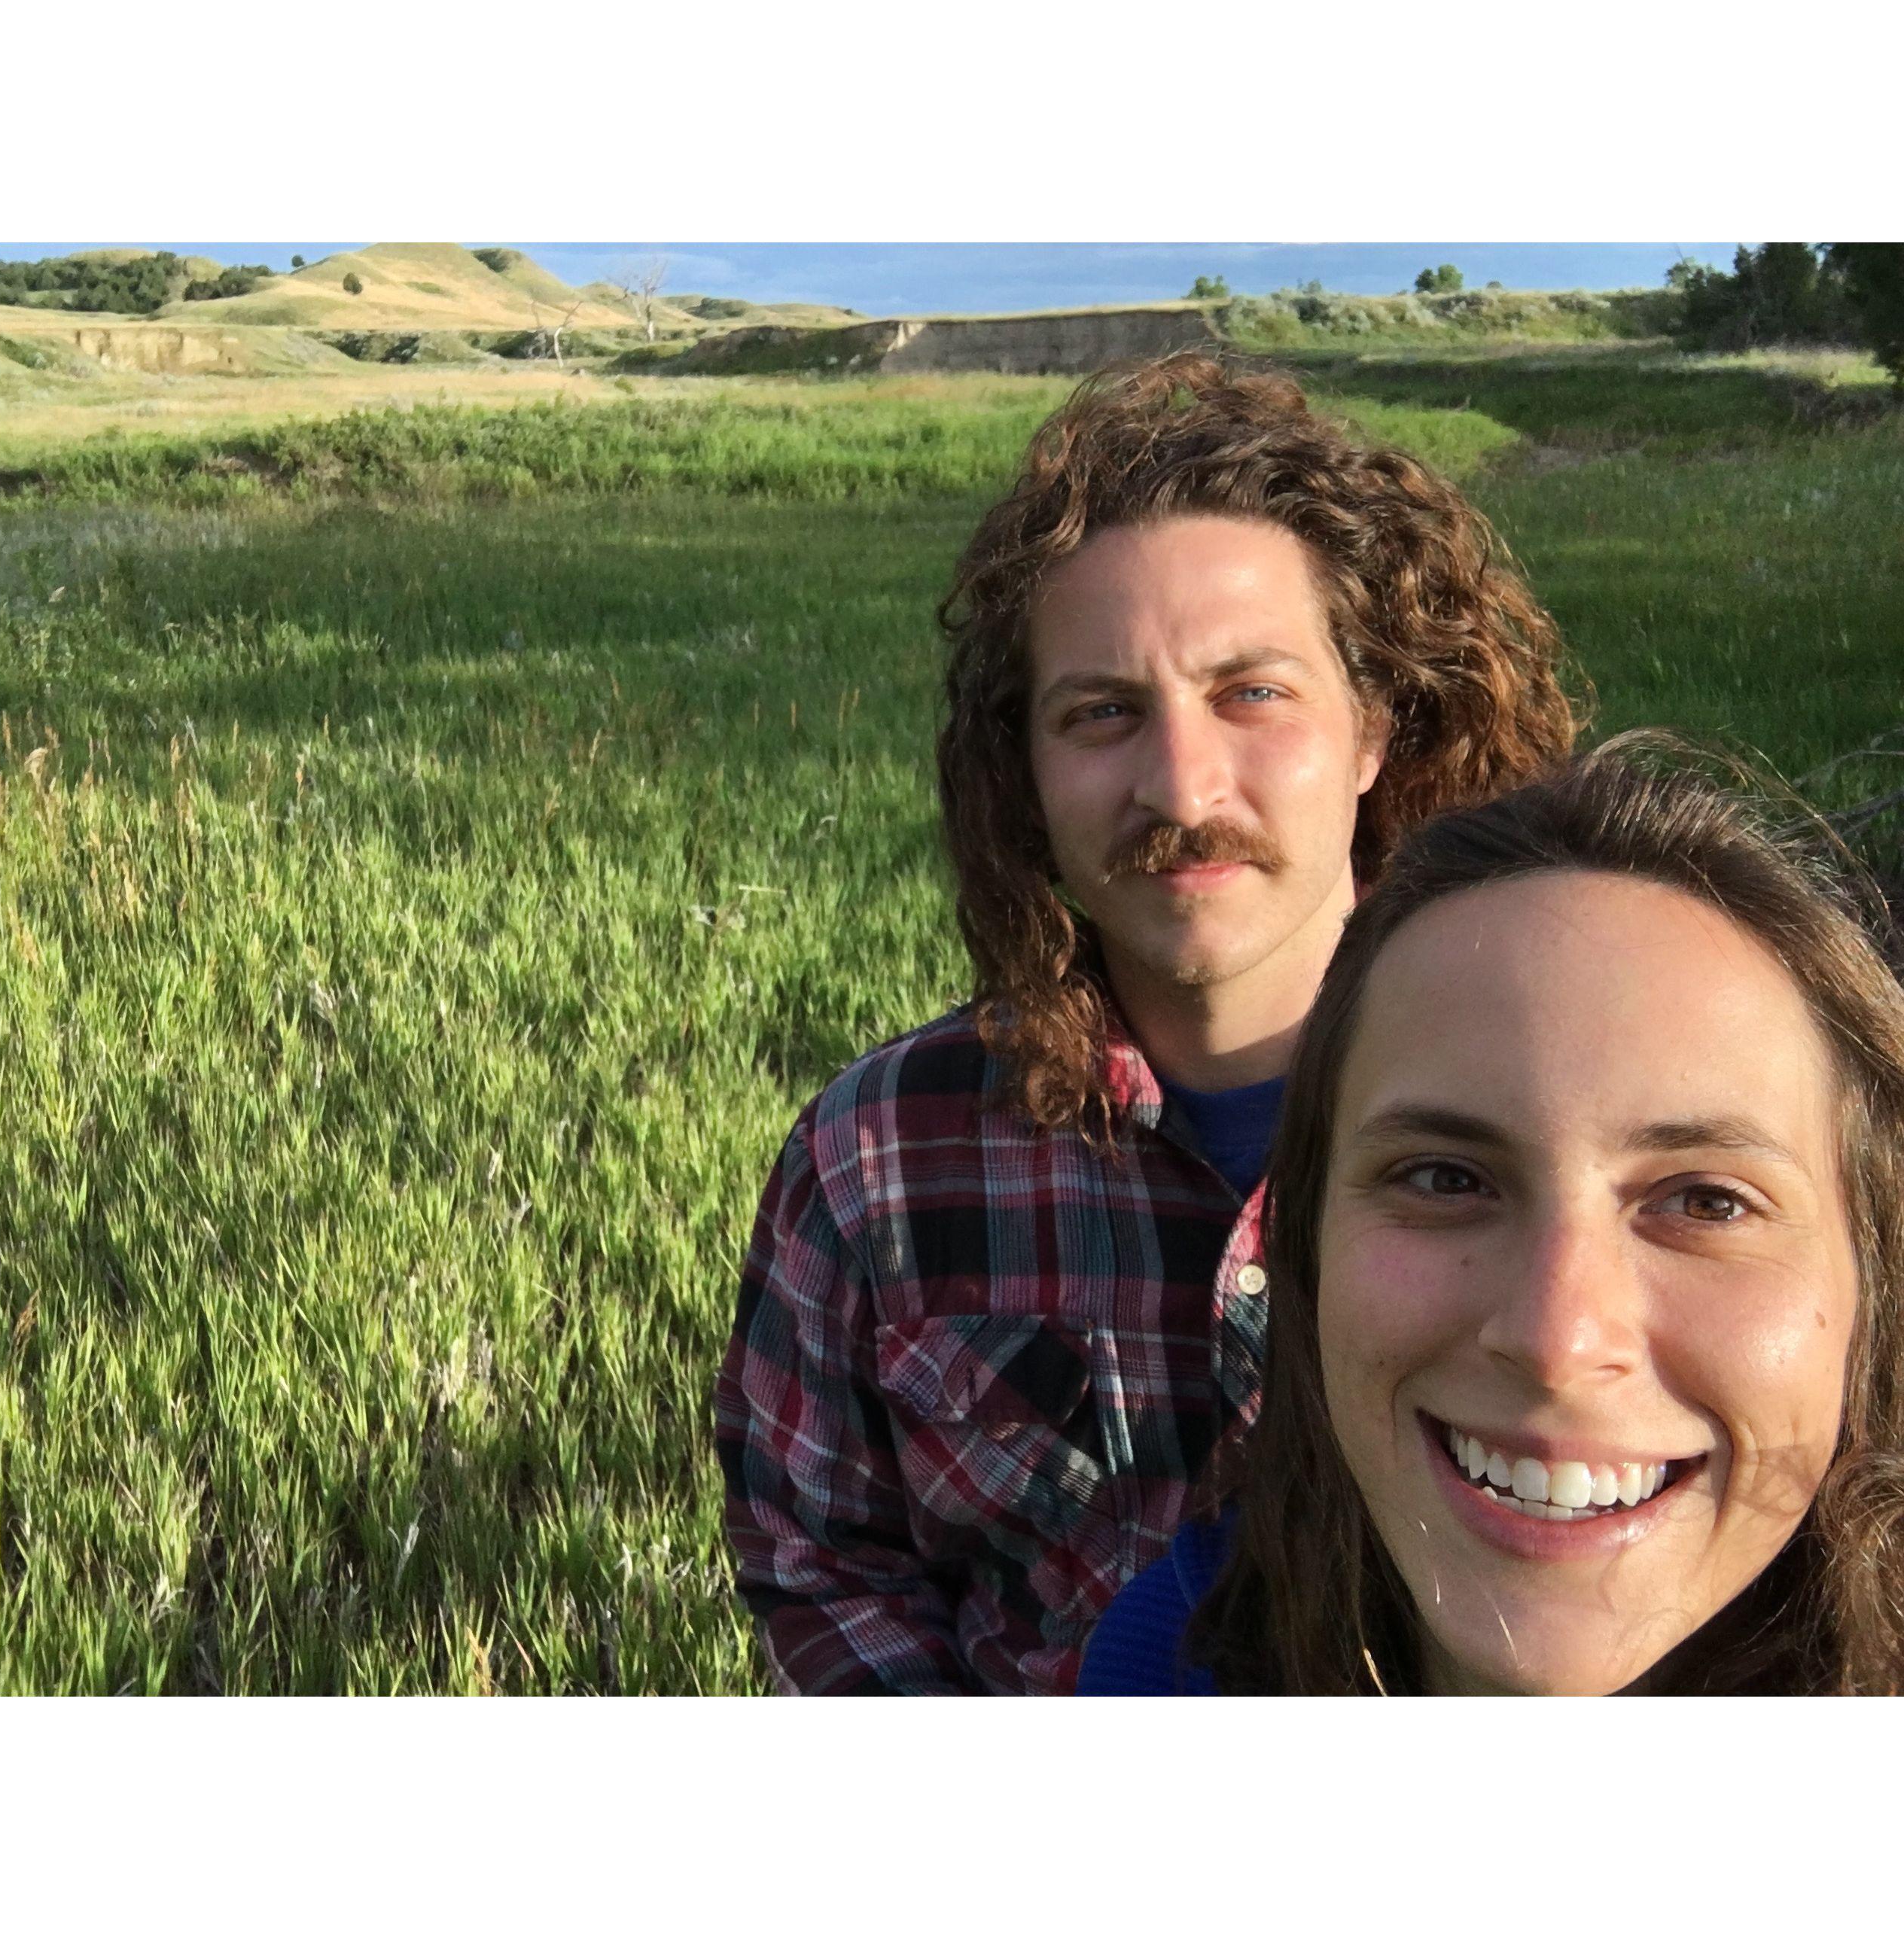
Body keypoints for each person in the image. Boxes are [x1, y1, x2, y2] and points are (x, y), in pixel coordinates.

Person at [714, 352, 1579, 1695]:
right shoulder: (877, 1159)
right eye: (1103, 712)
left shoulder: (1577, 1096)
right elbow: (823, 1559)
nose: (1180, 782)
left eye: (1254, 692)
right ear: (1027, 772)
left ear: (1371, 732)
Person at [1078, 739, 1904, 1695]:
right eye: (1444, 1179)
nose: (1556, 1339)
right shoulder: (1165, 1664)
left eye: (1705, 1201)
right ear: (1302, 1245)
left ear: (1872, 1278)